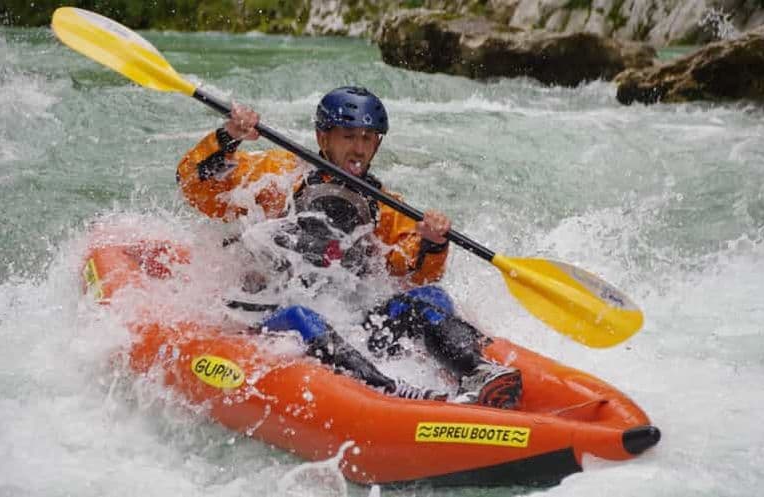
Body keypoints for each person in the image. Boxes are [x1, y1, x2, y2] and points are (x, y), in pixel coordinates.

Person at [176, 86, 521, 408]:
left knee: (432, 301)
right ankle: (389, 392)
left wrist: (433, 243)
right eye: (349, 136)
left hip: (346, 323)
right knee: (302, 316)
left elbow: (410, 274)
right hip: (268, 312)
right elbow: (196, 187)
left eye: (368, 138)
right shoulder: (277, 175)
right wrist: (229, 136)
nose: (359, 148)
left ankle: (476, 371)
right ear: (322, 137)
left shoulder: (382, 203)